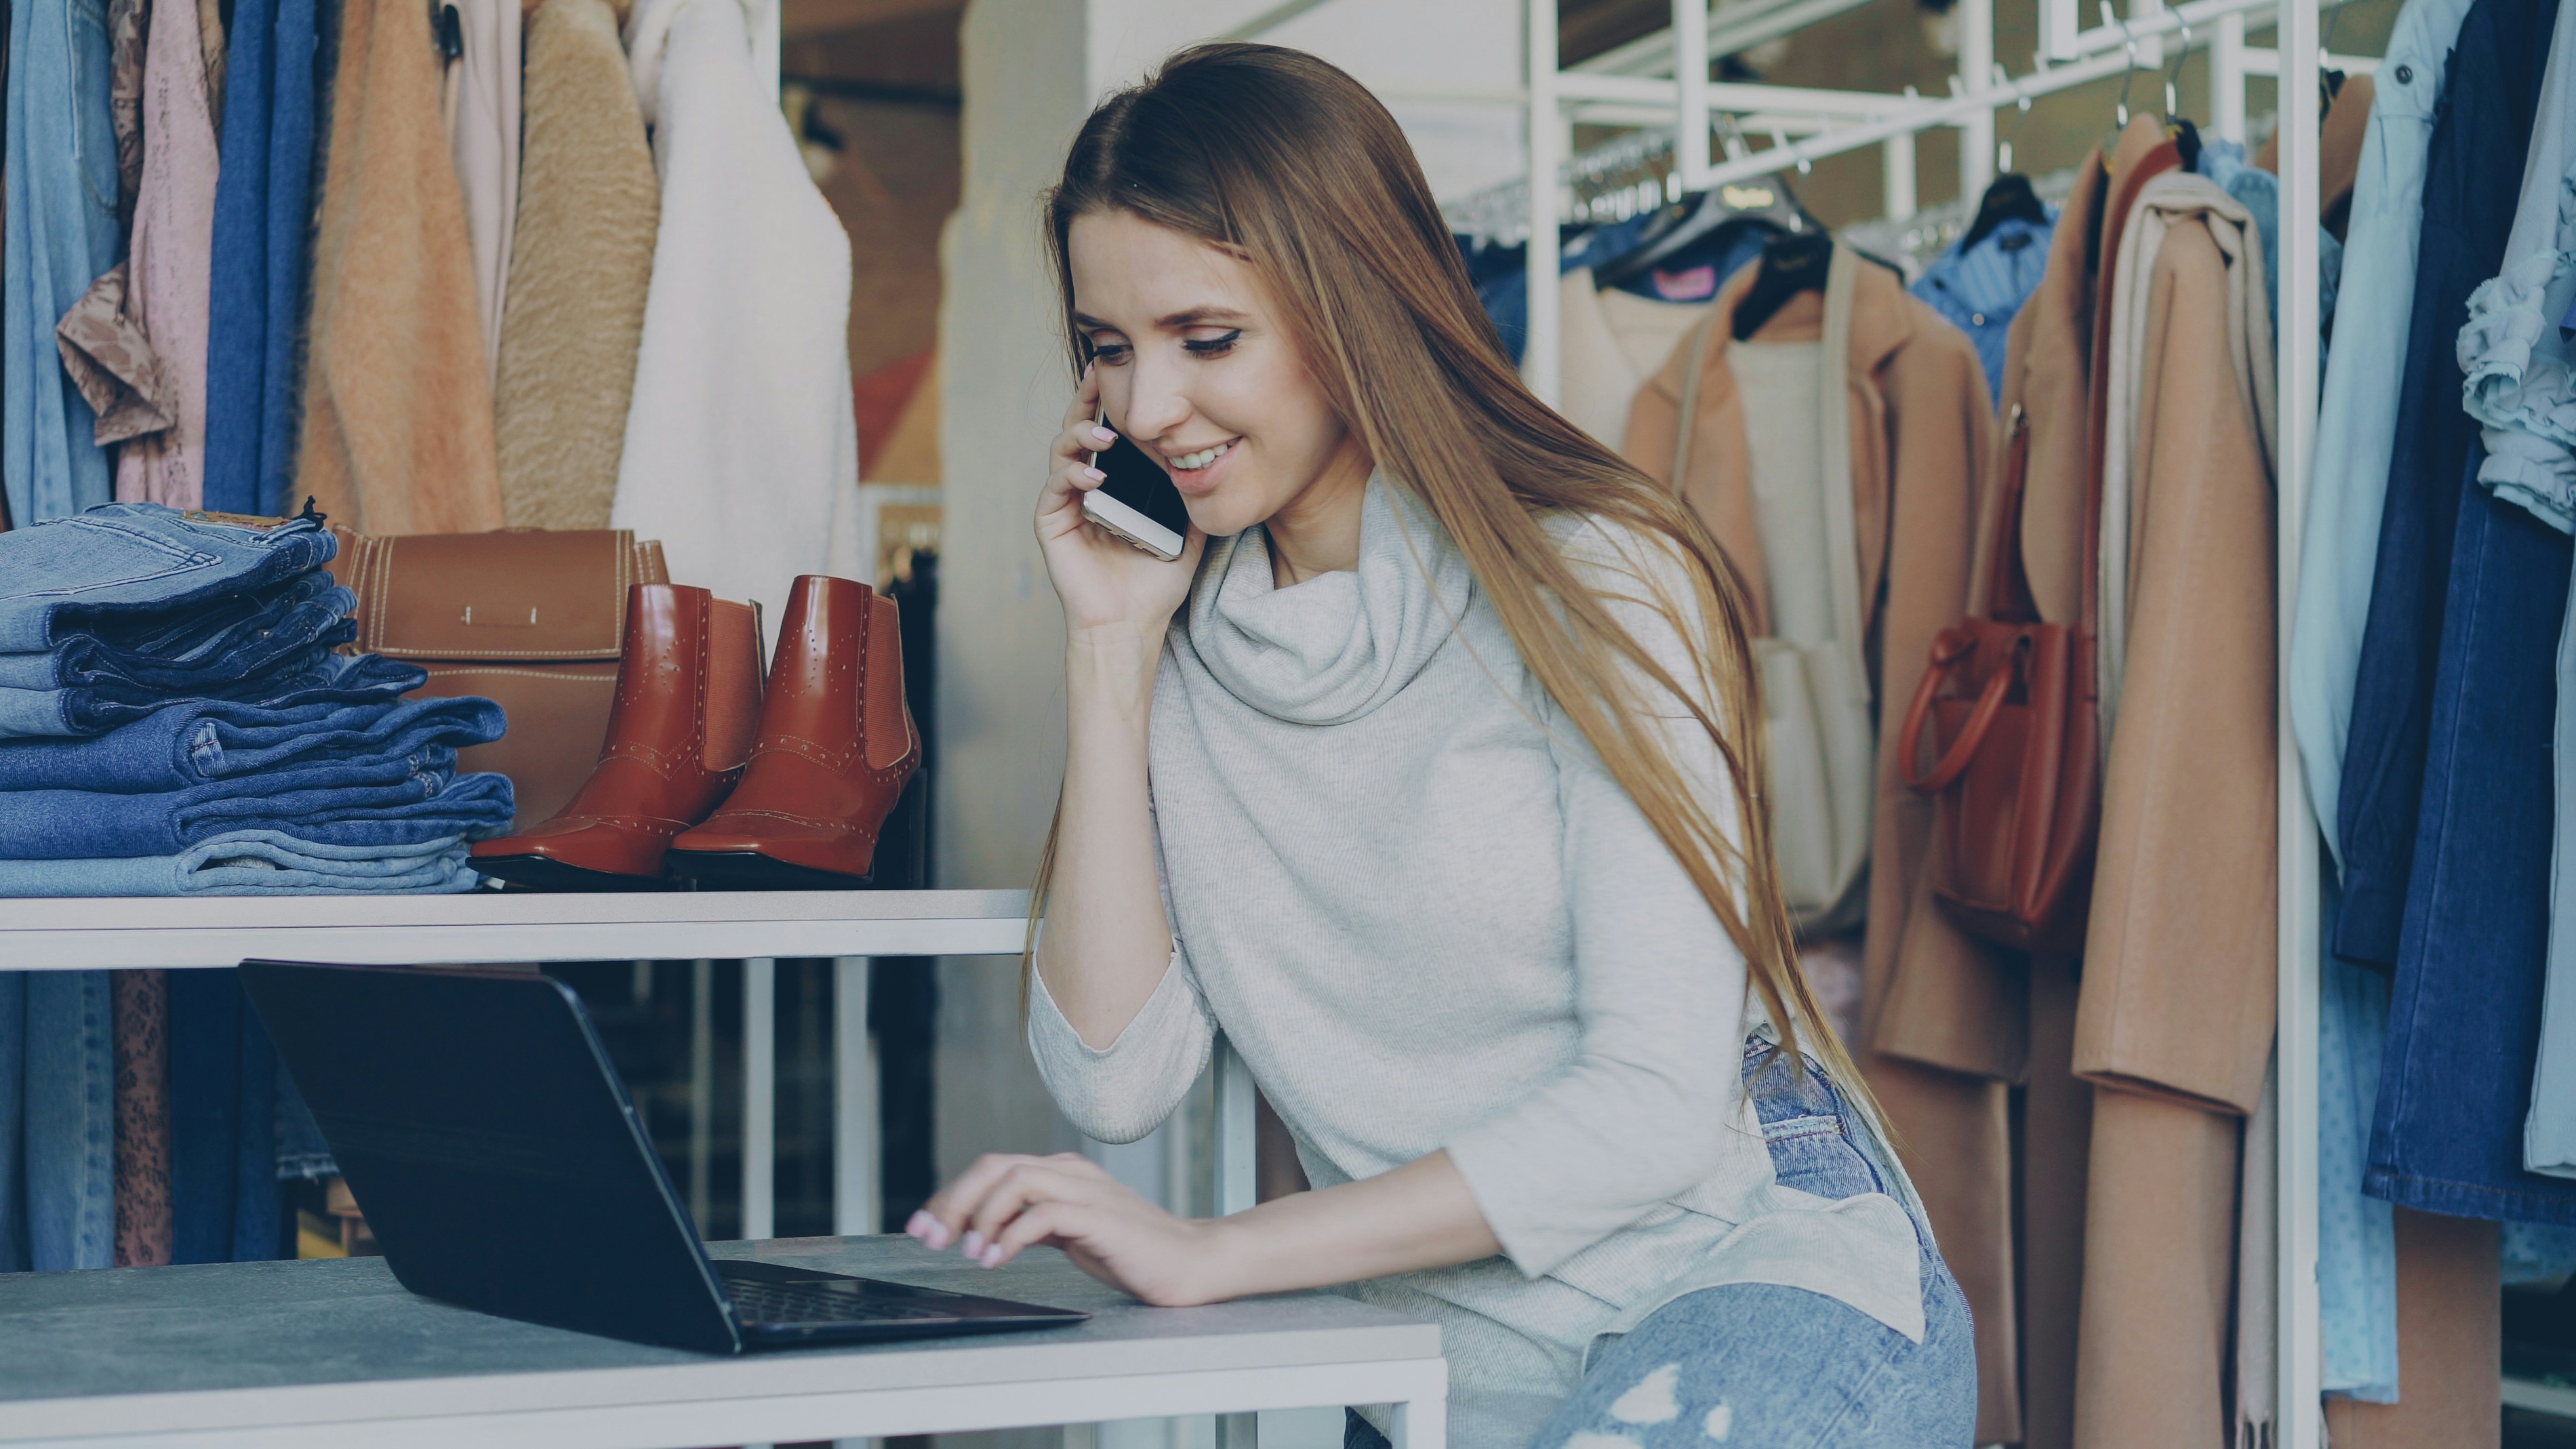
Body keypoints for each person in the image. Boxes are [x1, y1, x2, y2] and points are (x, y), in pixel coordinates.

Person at [904, 42, 1975, 1449]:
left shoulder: (1596, 578)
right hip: (1448, 1352)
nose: (1148, 407)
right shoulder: (1181, 632)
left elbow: (1654, 1113)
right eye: (1109, 349)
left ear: (1350, 306)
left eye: (1206, 338)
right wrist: (1107, 650)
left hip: (1746, 1282)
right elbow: (1116, 1079)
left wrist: (1218, 1250)